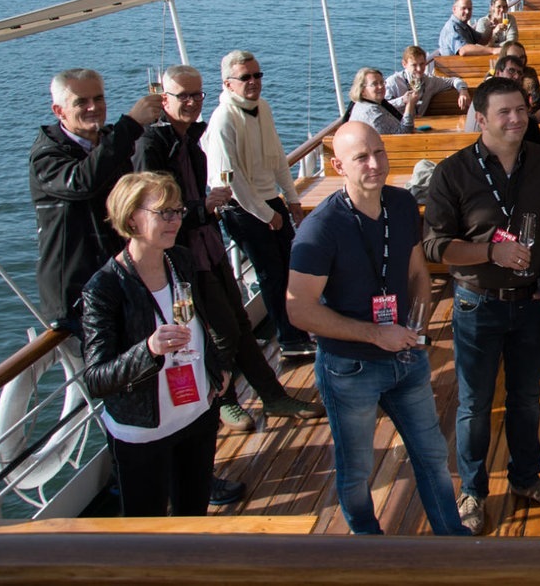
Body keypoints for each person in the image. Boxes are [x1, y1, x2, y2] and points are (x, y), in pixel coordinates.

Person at [286, 122, 469, 536]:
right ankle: (368, 543)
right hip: (350, 369)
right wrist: (374, 334)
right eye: (361, 157)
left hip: (406, 358)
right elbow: (299, 312)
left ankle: (451, 539)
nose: (375, 164)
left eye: (380, 152)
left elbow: (419, 272)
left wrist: (418, 327)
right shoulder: (320, 229)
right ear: (338, 167)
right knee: (357, 470)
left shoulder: (402, 204)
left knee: (432, 454)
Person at [422, 76, 540, 535]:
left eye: (521, 109)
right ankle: (472, 491)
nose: (516, 119)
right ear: (481, 118)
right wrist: (489, 252)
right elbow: (435, 247)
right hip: (478, 305)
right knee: (475, 405)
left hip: (532, 304)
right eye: (504, 112)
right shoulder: (452, 173)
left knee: (527, 399)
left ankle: (526, 478)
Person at [135, 65, 324, 432]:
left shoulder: (191, 138)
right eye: (183, 96)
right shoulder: (152, 145)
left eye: (196, 95)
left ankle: (272, 396)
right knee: (217, 329)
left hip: (208, 244)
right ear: (164, 100)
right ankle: (224, 400)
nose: (191, 103)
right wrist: (202, 207)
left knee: (237, 322)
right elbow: (149, 209)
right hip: (178, 257)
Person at [80, 172, 229, 517]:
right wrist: (148, 350)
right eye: (164, 212)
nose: (175, 220)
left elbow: (205, 324)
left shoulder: (180, 260)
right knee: (145, 529)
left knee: (193, 515)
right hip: (144, 432)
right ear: (131, 217)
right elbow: (97, 378)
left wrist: (218, 366)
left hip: (197, 414)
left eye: (177, 211)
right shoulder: (104, 288)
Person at [31, 68, 162, 333]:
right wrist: (131, 125)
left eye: (99, 98)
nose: (93, 107)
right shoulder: (47, 157)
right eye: (81, 102)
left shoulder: (107, 143)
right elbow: (82, 182)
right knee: (105, 371)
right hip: (80, 295)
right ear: (59, 111)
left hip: (120, 278)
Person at [202, 50, 313, 360]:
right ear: (227, 83)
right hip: (244, 210)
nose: (253, 82)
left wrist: (291, 199)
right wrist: (267, 215)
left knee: (292, 269)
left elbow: (277, 156)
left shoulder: (261, 107)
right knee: (272, 275)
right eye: (245, 77)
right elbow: (231, 181)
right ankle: (289, 340)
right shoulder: (224, 118)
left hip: (270, 202)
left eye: (257, 75)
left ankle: (300, 329)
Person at [384, 45, 471, 115]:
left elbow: (454, 80)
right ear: (404, 64)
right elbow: (382, 107)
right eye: (414, 65)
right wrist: (402, 100)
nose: (419, 69)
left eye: (422, 64)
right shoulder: (394, 82)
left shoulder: (430, 81)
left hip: (421, 125)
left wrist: (463, 91)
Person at [345, 68, 415, 135]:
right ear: (362, 90)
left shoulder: (361, 104)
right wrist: (410, 104)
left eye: (382, 82)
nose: (381, 86)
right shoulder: (373, 113)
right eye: (375, 84)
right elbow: (405, 132)